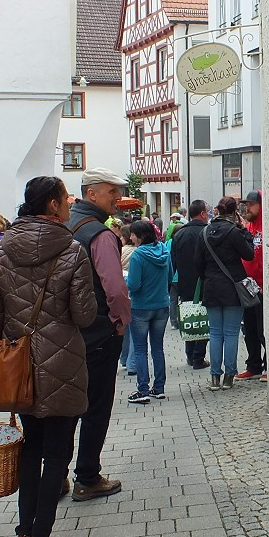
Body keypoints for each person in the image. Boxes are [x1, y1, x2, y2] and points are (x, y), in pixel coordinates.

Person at [0, 177, 96, 537]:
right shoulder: (73, 251)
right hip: (63, 364)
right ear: (51, 205)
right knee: (58, 452)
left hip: (20, 367)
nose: (68, 205)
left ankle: (24, 532)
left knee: (30, 448)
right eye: (65, 199)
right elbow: (84, 315)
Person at [64, 167, 131, 501]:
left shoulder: (60, 226)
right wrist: (120, 322)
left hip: (60, 335)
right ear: (91, 194)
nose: (117, 198)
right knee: (95, 406)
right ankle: (87, 476)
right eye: (111, 192)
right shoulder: (99, 235)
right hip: (97, 335)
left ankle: (56, 475)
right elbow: (115, 290)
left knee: (62, 406)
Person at [195, 196, 254, 391]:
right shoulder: (233, 232)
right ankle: (229, 375)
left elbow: (198, 264)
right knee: (230, 334)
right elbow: (249, 254)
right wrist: (244, 229)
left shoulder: (204, 233)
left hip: (211, 288)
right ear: (234, 211)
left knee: (215, 333)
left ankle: (214, 378)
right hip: (232, 288)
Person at [125, 221, 172, 404]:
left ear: (141, 236)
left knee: (140, 349)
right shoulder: (164, 251)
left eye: (133, 235)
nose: (131, 238)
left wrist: (127, 281)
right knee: (158, 348)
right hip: (161, 305)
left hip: (141, 307)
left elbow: (134, 285)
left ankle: (142, 389)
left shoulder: (138, 256)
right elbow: (170, 276)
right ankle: (159, 388)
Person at [170, 199, 210, 370]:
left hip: (184, 282)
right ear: (202, 214)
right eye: (207, 213)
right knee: (203, 318)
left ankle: (189, 354)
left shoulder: (179, 235)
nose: (208, 216)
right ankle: (198, 357)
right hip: (205, 281)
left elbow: (173, 262)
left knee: (189, 317)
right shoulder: (207, 232)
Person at [237, 190, 266, 382]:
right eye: (245, 204)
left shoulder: (267, 226)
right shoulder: (248, 227)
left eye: (251, 204)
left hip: (264, 287)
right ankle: (253, 365)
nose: (247, 208)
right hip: (249, 287)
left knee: (264, 329)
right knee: (250, 329)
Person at [117, 225, 137, 376]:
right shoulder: (137, 251)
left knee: (125, 327)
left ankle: (124, 358)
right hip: (134, 291)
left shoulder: (120, 251)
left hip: (121, 289)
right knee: (133, 329)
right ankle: (131, 362)